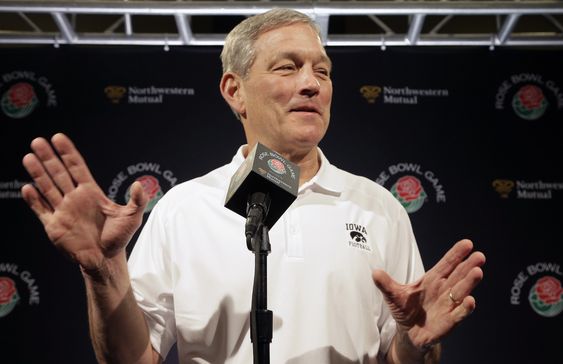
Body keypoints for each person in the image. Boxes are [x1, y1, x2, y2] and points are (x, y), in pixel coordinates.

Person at [21, 8, 485, 364]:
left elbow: (404, 356)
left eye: (322, 71)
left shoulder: (378, 207)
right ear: (234, 90)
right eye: (287, 68)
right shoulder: (185, 208)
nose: (311, 84)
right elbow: (132, 358)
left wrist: (413, 341)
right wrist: (103, 272)